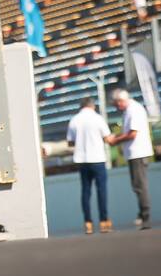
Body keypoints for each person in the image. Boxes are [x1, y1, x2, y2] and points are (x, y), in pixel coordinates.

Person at [66, 97, 115, 233]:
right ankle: (104, 221)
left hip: (82, 160)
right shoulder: (98, 118)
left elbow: (70, 143)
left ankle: (88, 222)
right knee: (101, 190)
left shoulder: (74, 120)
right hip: (97, 159)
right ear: (93, 106)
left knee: (86, 192)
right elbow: (107, 138)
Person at [108, 88, 154, 229]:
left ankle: (144, 215)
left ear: (121, 101)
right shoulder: (130, 110)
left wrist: (116, 139)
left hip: (138, 153)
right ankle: (143, 213)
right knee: (138, 185)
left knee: (140, 185)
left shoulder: (133, 110)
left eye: (116, 104)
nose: (116, 107)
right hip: (135, 153)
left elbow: (132, 134)